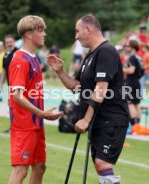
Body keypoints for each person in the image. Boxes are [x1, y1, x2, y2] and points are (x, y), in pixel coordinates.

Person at [48, 14, 129, 184]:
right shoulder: (91, 54)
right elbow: (77, 86)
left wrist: (85, 119)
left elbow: (100, 89)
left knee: (102, 163)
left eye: (77, 31)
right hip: (98, 119)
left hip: (111, 119)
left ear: (88, 29)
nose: (76, 36)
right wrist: (60, 71)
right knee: (100, 165)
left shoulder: (106, 51)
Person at [7, 15, 63, 184]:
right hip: (24, 126)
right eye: (41, 30)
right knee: (21, 170)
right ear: (30, 34)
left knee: (39, 167)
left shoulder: (34, 58)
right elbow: (17, 96)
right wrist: (42, 113)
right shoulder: (20, 60)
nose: (44, 34)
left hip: (36, 124)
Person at [0, 34, 18, 133]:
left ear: (14, 42)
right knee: (11, 105)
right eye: (7, 42)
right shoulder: (6, 55)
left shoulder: (18, 53)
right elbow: (4, 70)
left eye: (11, 42)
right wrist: (0, 84)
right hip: (10, 85)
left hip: (19, 86)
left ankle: (17, 127)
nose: (9, 44)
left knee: (18, 106)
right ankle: (13, 127)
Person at [123, 40, 142, 126]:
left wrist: (121, 69)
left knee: (130, 103)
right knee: (136, 104)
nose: (127, 47)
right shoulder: (138, 57)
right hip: (137, 82)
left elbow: (131, 70)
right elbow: (142, 71)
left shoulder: (132, 58)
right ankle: (138, 124)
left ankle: (134, 124)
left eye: (128, 46)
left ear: (132, 47)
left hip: (131, 83)